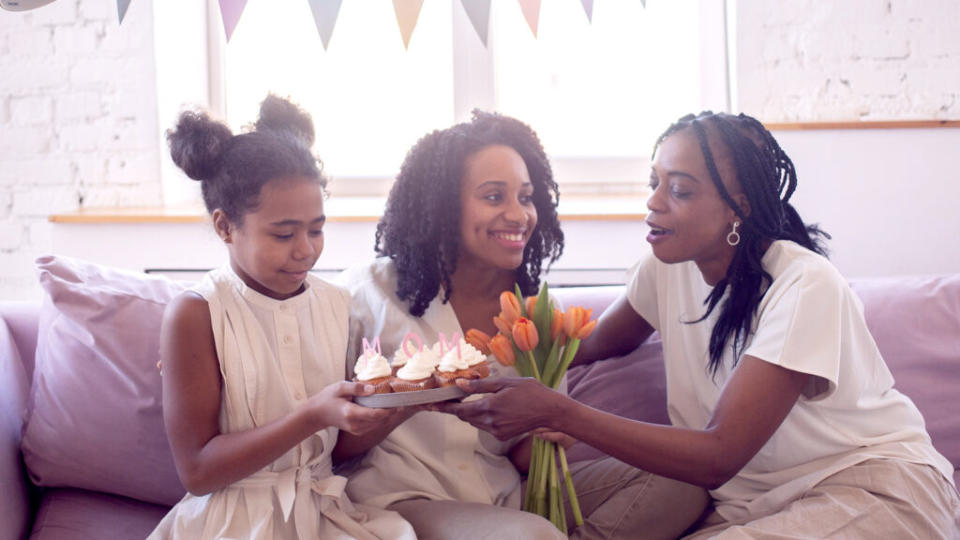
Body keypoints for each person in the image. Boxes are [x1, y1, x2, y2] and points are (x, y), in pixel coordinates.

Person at [435, 111, 960, 538]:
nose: (653, 202)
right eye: (654, 182)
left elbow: (719, 454)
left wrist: (560, 411)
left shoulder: (804, 286)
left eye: (680, 191)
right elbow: (587, 344)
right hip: (749, 505)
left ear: (739, 209)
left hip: (869, 488)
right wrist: (484, 355)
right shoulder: (668, 269)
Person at [335, 110, 708, 540]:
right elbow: (332, 448)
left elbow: (520, 458)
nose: (519, 215)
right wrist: (408, 398)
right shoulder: (366, 295)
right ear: (442, 205)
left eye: (526, 197)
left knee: (683, 481)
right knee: (531, 536)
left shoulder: (533, 316)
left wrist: (554, 432)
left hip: (505, 498)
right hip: (406, 501)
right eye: (494, 197)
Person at [148, 96, 415, 539]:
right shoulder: (196, 313)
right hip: (230, 523)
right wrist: (312, 414)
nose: (305, 249)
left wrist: (403, 403)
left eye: (316, 229)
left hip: (323, 515)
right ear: (225, 227)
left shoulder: (334, 303)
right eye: (284, 233)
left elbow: (339, 449)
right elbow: (197, 472)